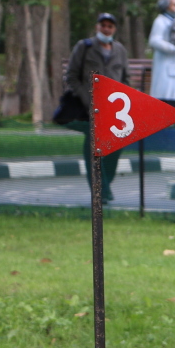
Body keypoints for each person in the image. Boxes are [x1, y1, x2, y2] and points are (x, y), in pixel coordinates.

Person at [64, 12, 131, 204]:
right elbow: (72, 76)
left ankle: (105, 184)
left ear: (114, 29)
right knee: (94, 152)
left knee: (115, 149)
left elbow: (125, 78)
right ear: (97, 27)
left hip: (115, 110)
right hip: (90, 109)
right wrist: (86, 99)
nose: (106, 29)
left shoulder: (120, 50)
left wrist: (125, 99)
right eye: (103, 25)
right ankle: (100, 191)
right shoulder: (84, 47)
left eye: (110, 26)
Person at [148, 0, 175, 108]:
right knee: (164, 100)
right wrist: (174, 48)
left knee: (173, 100)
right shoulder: (160, 21)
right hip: (164, 68)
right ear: (166, 5)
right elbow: (154, 41)